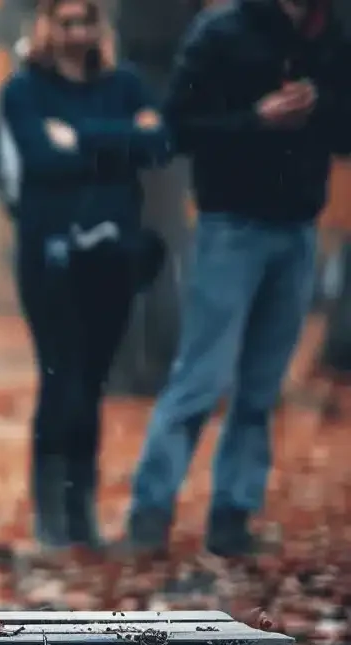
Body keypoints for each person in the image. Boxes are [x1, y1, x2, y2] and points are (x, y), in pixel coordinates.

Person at [125, 0, 350, 557]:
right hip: (232, 228)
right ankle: (149, 515)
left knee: (260, 389)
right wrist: (257, 119)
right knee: (201, 378)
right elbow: (175, 128)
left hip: (299, 229)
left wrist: (320, 107)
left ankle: (232, 518)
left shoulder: (333, 34)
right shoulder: (223, 30)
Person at [0, 0, 172, 551]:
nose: (76, 33)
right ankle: (50, 511)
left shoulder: (124, 82)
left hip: (112, 256)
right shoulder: (23, 89)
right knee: (61, 380)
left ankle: (81, 509)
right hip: (50, 256)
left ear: (99, 27)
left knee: (93, 384)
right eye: (66, 22)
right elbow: (40, 159)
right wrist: (119, 140)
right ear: (48, 25)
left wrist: (79, 137)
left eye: (86, 22)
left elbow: (159, 143)